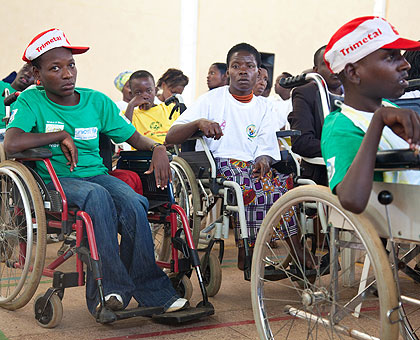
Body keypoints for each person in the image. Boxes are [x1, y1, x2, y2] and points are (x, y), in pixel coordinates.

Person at [4, 28, 187, 316]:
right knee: (97, 196)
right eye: (55, 68)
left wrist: (158, 148)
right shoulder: (32, 101)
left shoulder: (96, 101)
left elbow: (135, 138)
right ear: (38, 74)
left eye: (71, 65)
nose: (67, 74)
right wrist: (57, 135)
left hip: (96, 175)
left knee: (134, 201)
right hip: (55, 181)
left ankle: (153, 291)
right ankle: (109, 289)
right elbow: (12, 143)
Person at [166, 43, 311, 270]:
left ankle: (274, 250)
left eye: (249, 66)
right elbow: (171, 136)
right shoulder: (211, 100)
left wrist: (264, 158)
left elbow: (266, 141)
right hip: (221, 162)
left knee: (283, 187)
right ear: (229, 73)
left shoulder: (265, 106)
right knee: (252, 185)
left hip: (254, 164)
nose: (243, 71)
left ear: (259, 72)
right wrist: (199, 123)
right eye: (236, 66)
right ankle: (285, 252)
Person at [321, 16, 420, 214]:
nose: (405, 64)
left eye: (401, 55)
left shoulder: (393, 109)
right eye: (391, 57)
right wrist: (378, 120)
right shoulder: (340, 125)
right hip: (397, 221)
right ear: (353, 73)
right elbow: (352, 200)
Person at [287, 45, 343, 186]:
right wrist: (343, 148)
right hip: (322, 172)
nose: (333, 68)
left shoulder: (357, 93)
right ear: (316, 70)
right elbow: (302, 142)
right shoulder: (305, 94)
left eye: (337, 62)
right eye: (327, 64)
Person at [124, 70, 179, 144]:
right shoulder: (129, 114)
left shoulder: (171, 109)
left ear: (155, 91)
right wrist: (131, 105)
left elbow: (183, 134)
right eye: (138, 92)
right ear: (131, 95)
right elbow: (124, 133)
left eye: (149, 91)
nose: (145, 96)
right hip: (145, 154)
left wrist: (175, 144)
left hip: (173, 152)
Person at [1, 63, 34, 130]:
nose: (27, 74)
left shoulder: (32, 100)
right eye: (25, 68)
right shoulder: (1, 86)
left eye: (33, 74)